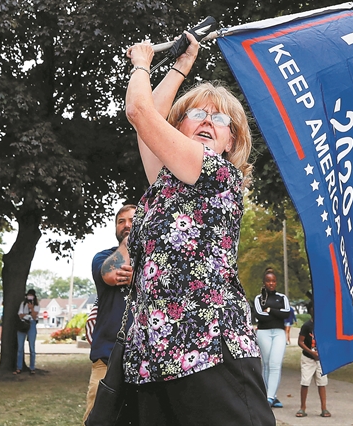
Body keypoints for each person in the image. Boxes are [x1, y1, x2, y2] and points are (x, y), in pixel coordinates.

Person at [119, 33, 274, 425]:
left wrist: (142, 62)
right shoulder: (165, 181)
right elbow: (147, 126)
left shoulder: (214, 171)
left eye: (220, 119)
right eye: (197, 114)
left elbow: (140, 111)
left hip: (209, 350)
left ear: (230, 141)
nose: (208, 121)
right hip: (154, 355)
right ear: (178, 126)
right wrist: (182, 64)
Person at [82, 204, 135, 424]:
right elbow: (112, 274)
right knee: (98, 419)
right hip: (107, 357)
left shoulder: (156, 262)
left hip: (146, 360)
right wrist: (128, 242)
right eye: (121, 221)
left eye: (132, 220)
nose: (127, 225)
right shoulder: (102, 258)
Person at [254, 267, 291, 408]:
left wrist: (270, 310)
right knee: (267, 363)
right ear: (264, 282)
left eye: (273, 281)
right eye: (268, 281)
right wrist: (276, 313)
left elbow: (286, 313)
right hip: (264, 333)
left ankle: (269, 397)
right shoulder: (259, 299)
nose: (271, 283)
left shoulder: (282, 298)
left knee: (275, 364)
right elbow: (259, 315)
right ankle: (270, 395)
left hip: (278, 333)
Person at [296, 302, 330, 418]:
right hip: (308, 358)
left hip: (321, 359)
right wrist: (311, 352)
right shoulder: (306, 326)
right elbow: (300, 342)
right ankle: (302, 407)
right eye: (312, 309)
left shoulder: (324, 325)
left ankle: (324, 408)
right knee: (305, 382)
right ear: (309, 311)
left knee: (322, 383)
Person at [15, 289, 39, 374]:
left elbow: (35, 316)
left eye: (31, 295)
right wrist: (28, 314)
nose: (29, 297)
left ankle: (32, 367)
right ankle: (19, 367)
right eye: (28, 295)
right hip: (23, 324)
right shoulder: (23, 304)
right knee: (20, 348)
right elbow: (20, 315)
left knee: (32, 348)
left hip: (32, 324)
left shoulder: (36, 305)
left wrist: (31, 308)